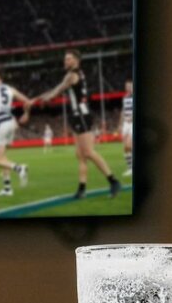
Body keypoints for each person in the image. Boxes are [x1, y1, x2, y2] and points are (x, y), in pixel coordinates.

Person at [32, 50, 121, 199]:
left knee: (88, 152)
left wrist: (37, 100)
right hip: (77, 116)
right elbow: (56, 89)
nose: (65, 61)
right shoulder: (76, 74)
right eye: (65, 59)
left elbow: (56, 92)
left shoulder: (71, 75)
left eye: (69, 59)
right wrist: (38, 98)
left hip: (81, 116)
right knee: (80, 155)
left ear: (76, 60)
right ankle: (82, 189)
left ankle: (113, 181)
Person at [0, 67, 32, 197]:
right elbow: (27, 101)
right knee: (2, 157)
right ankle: (7, 188)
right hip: (12, 123)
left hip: (0, 124)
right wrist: (26, 114)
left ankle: (19, 168)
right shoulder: (11, 89)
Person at [120, 79, 133, 177]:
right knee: (125, 147)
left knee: (129, 145)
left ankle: (132, 168)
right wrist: (120, 124)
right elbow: (123, 110)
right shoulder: (125, 97)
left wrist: (131, 118)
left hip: (132, 123)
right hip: (125, 124)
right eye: (126, 86)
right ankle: (130, 168)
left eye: (129, 86)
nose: (127, 87)